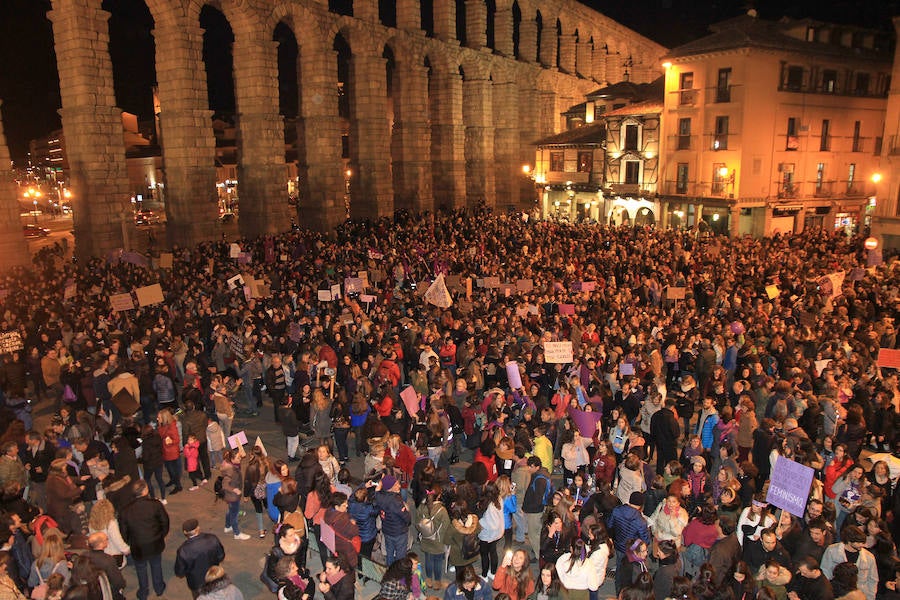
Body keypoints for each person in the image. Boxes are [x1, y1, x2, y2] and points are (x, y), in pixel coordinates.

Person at [118, 479, 170, 600]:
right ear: (145, 490)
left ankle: (143, 591)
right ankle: (159, 588)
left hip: (138, 546)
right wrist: (161, 535)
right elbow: (165, 522)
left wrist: (130, 542)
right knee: (156, 565)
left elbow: (123, 532)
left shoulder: (125, 511)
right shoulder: (155, 504)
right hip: (155, 542)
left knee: (140, 568)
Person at [820, 525, 878, 600]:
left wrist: (870, 597)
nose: (862, 545)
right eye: (859, 542)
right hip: (838, 594)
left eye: (862, 542)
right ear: (849, 541)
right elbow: (825, 572)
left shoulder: (869, 557)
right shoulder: (832, 551)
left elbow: (873, 580)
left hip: (860, 595)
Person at [174, 519, 226, 599]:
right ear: (198, 528)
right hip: (213, 578)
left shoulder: (183, 550)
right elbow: (221, 556)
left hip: (196, 583)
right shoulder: (212, 539)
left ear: (185, 532)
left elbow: (179, 572)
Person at [373, 474, 411, 566]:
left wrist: (382, 481)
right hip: (399, 532)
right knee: (400, 556)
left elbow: (377, 490)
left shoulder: (379, 497)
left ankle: (389, 569)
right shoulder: (396, 502)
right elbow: (407, 518)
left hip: (387, 531)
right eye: (396, 484)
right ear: (390, 488)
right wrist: (407, 509)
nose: (399, 485)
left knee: (389, 552)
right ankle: (397, 573)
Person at [220, 449, 251, 541]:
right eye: (238, 457)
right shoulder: (230, 470)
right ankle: (237, 533)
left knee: (230, 511)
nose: (240, 459)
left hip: (230, 496)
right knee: (234, 514)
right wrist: (234, 490)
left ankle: (227, 526)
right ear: (232, 459)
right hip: (232, 496)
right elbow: (225, 484)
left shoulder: (233, 465)